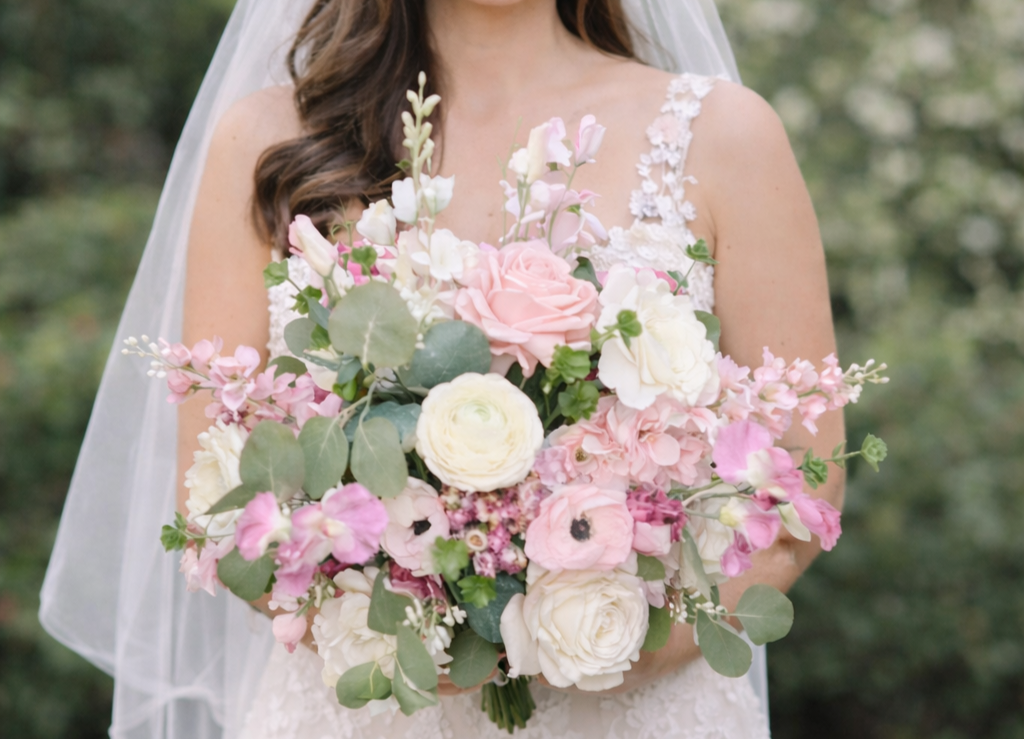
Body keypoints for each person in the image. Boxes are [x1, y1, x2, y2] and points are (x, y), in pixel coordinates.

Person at [41, 1, 844, 737]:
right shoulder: (268, 145)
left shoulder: (727, 136)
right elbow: (219, 495)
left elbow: (807, 485)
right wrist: (410, 628)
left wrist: (588, 644)